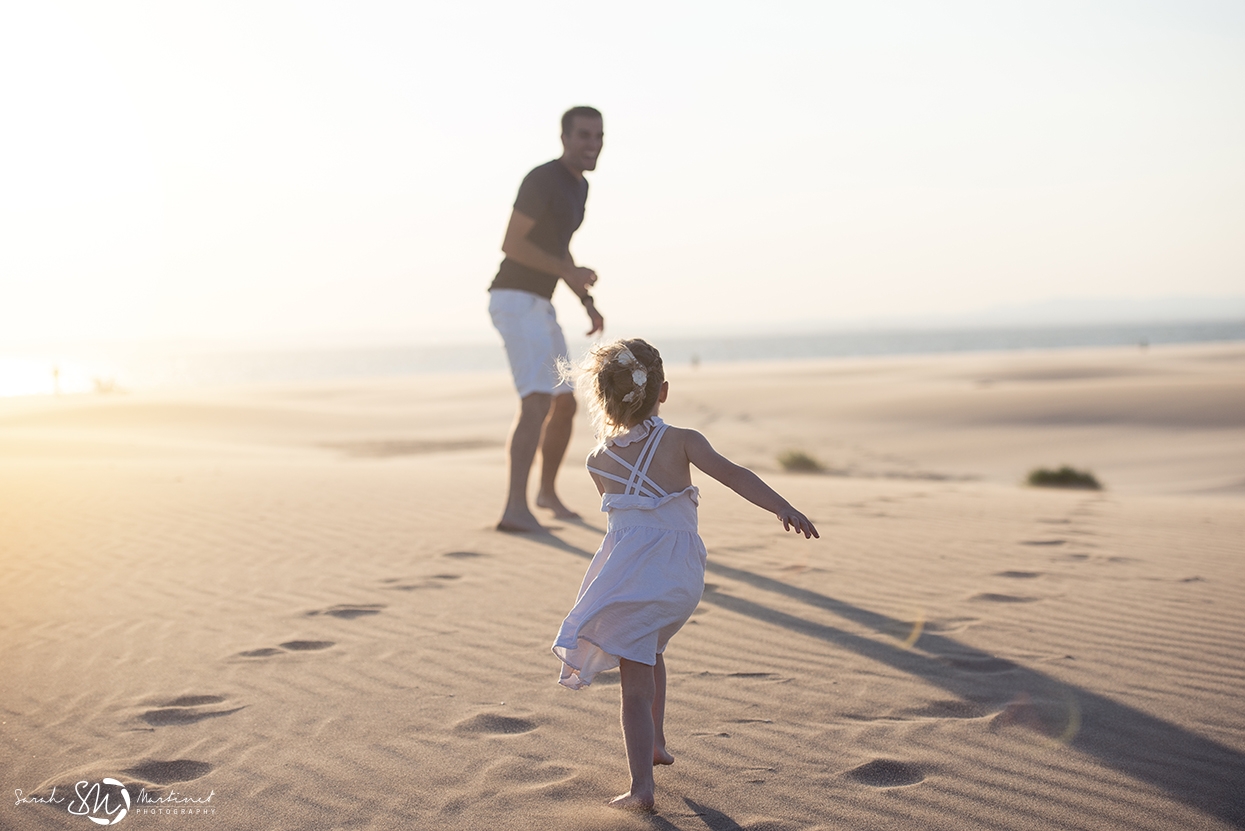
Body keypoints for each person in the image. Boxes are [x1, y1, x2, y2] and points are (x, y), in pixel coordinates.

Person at [551, 338, 819, 811]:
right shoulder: (684, 440)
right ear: (664, 391)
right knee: (650, 647)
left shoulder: (598, 461)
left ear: (603, 397)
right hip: (682, 578)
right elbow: (735, 474)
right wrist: (783, 506)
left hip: (635, 579)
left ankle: (641, 789)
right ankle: (656, 742)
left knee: (633, 686)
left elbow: (624, 533)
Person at [489, 106, 606, 533]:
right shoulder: (541, 180)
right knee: (537, 400)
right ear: (564, 138)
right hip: (514, 298)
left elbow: (561, 251)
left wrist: (585, 299)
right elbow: (512, 244)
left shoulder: (580, 188)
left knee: (563, 402)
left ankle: (546, 493)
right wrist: (568, 273)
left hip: (541, 302)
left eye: (598, 136)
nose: (591, 144)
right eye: (583, 135)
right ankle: (514, 509)